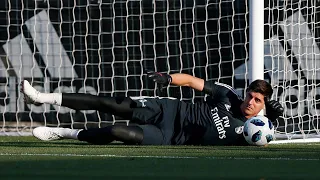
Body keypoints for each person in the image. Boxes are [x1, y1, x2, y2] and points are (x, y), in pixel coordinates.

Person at [21, 70, 284, 146]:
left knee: (117, 132)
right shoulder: (227, 94)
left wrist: (274, 119)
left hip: (170, 137)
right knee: (108, 103)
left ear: (262, 105)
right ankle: (41, 97)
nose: (250, 102)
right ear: (246, 92)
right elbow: (192, 82)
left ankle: (64, 133)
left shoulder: (252, 130)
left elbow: (265, 139)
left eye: (257, 101)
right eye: (250, 95)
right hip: (168, 110)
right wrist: (169, 79)